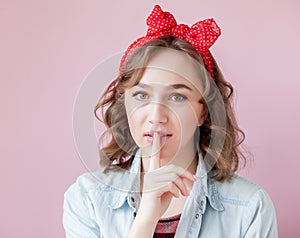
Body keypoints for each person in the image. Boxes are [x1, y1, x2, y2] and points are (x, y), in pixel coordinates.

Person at [63, 5, 278, 238]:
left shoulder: (249, 208)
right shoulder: (88, 198)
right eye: (141, 95)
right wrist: (146, 219)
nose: (156, 116)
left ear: (204, 112)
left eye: (177, 97)